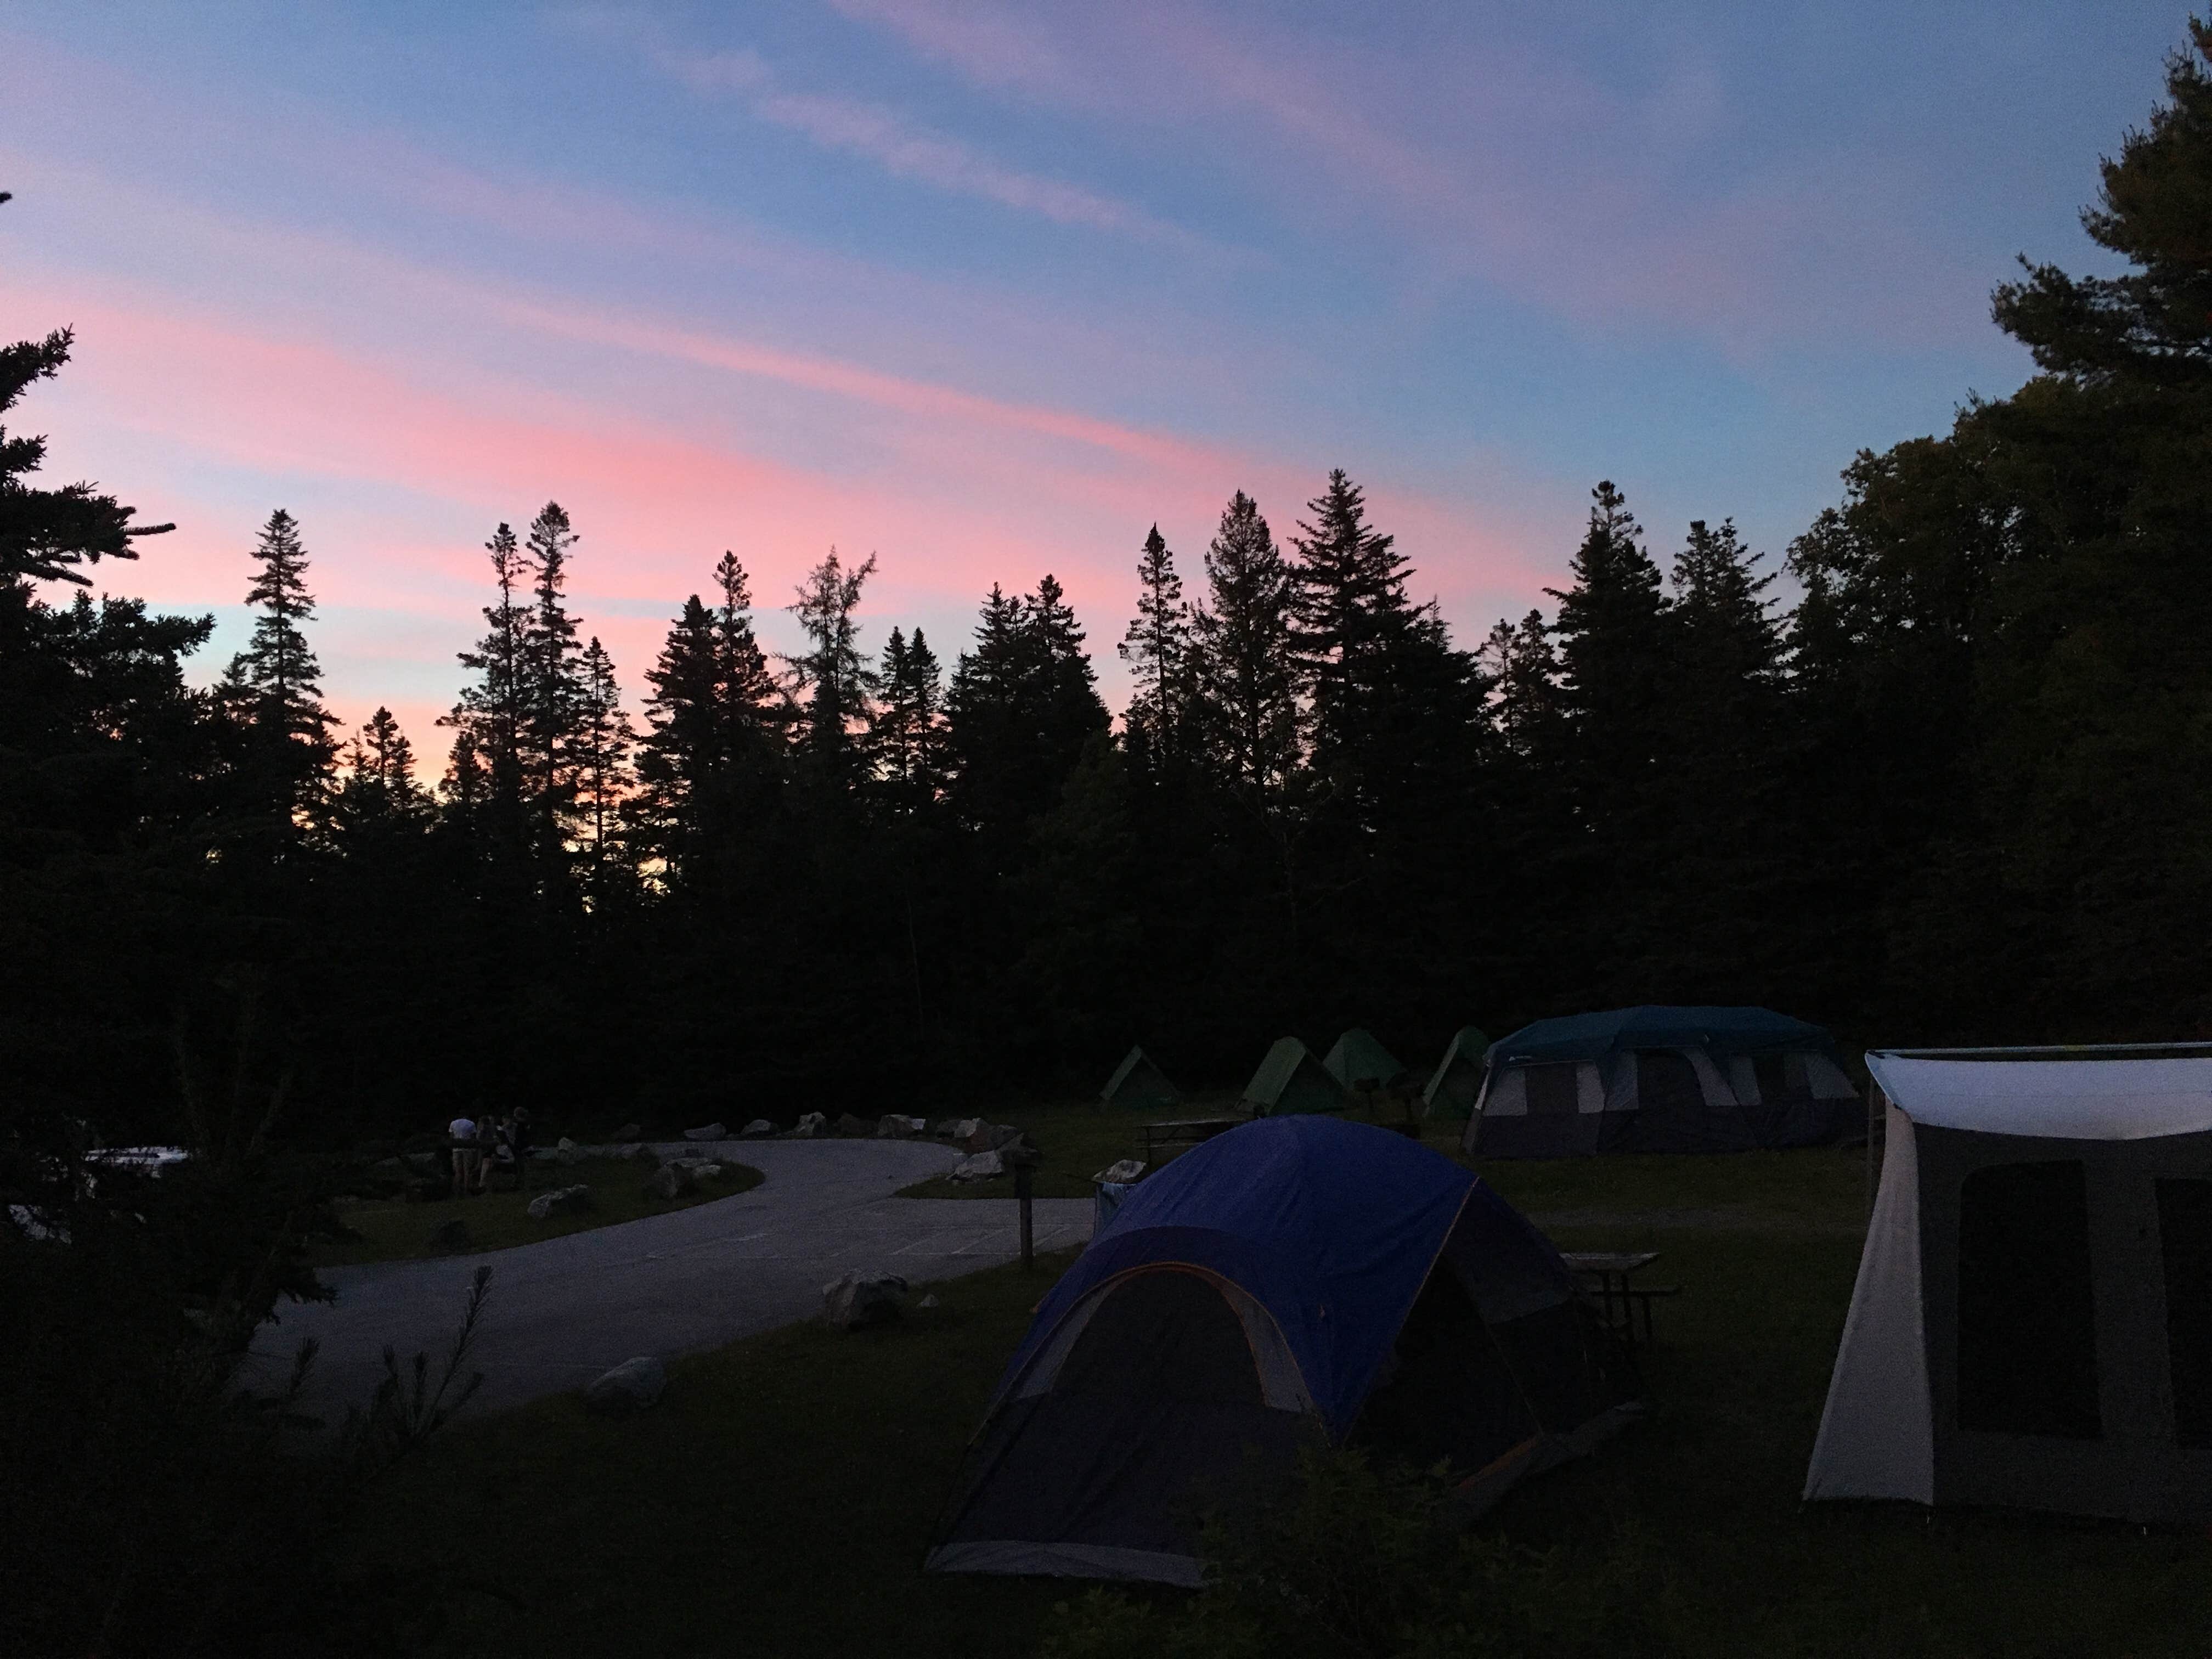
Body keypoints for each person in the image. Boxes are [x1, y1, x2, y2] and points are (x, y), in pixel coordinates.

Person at [447, 1110, 478, 1200]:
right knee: (467, 1170)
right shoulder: (471, 1124)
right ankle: (466, 1190)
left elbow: (451, 1137)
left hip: (456, 1149)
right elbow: (473, 1138)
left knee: (458, 1170)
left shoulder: (453, 1123)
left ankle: (457, 1190)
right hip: (467, 1149)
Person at [507, 1106, 533, 1193]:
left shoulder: (520, 1124)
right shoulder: (526, 1123)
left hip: (522, 1148)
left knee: (522, 1168)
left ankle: (523, 1186)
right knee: (523, 1168)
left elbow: (519, 1138)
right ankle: (520, 1185)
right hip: (526, 1147)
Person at [472, 1113, 499, 1195]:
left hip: (489, 1152)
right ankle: (485, 1187)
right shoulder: (489, 1129)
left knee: (487, 1169)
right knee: (487, 1170)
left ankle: (482, 1187)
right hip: (485, 1152)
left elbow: (479, 1139)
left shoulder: (489, 1130)